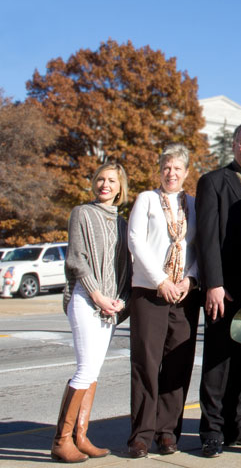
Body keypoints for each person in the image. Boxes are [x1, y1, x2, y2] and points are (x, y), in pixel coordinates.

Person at [196, 121, 241, 458]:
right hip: (224, 290)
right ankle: (211, 430)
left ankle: (237, 425)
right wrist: (213, 283)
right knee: (218, 362)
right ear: (234, 145)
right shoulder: (213, 182)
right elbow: (207, 238)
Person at [52, 162, 131, 463]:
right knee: (85, 368)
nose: (105, 185)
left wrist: (120, 300)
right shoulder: (81, 213)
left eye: (112, 180)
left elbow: (124, 267)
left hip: (110, 305)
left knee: (94, 370)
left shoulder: (122, 223)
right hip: (86, 298)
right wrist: (97, 295)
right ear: (94, 183)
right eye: (100, 179)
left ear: (120, 187)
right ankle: (61, 441)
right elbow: (76, 259)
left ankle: (80, 437)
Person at [127, 144, 200, 459]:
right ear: (160, 170)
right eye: (166, 168)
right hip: (150, 292)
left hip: (183, 296)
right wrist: (160, 281)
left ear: (186, 172)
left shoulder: (194, 204)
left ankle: (167, 432)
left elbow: (200, 248)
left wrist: (190, 279)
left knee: (177, 365)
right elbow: (136, 242)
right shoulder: (146, 200)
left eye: (177, 169)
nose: (172, 173)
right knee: (146, 363)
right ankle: (141, 435)